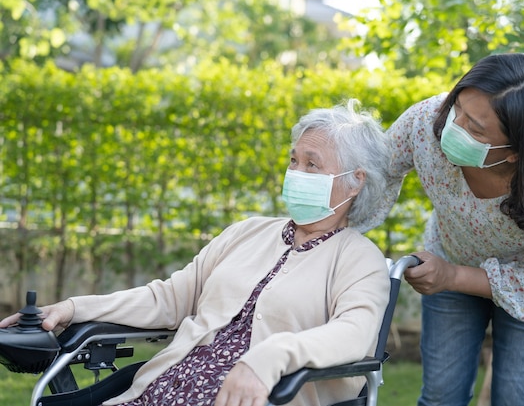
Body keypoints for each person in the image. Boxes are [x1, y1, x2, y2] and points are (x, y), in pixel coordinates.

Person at [0, 99, 392, 406]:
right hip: (161, 390)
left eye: (312, 164)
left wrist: (271, 357)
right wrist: (72, 308)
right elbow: (170, 298)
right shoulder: (247, 232)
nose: (296, 172)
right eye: (294, 160)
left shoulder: (359, 259)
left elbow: (354, 334)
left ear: (355, 182)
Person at [364, 53, 524, 405]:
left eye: (475, 129)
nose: (454, 128)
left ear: (517, 151)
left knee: (516, 400)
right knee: (442, 396)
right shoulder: (427, 121)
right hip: (449, 258)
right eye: (459, 109)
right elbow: (373, 177)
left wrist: (453, 277)